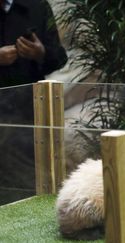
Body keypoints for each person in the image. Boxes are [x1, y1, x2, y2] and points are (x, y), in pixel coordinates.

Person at [0, 0, 67, 205]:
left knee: (25, 189)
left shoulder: (37, 6)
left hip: (27, 117)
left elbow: (59, 57)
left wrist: (40, 52)